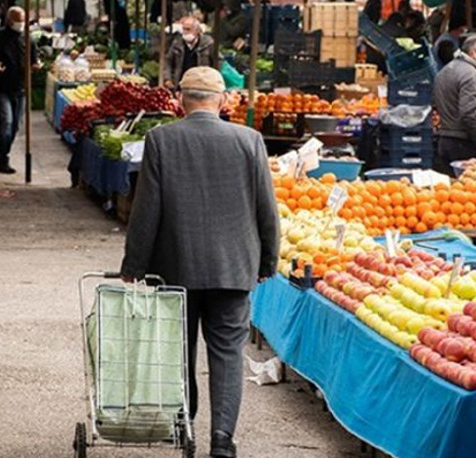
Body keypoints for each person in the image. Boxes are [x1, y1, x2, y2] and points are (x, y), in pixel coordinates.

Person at [120, 67, 280, 458]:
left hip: (175, 267)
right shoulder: (250, 141)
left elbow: (146, 210)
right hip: (233, 268)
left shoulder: (161, 139)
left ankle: (185, 425)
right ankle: (222, 439)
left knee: (179, 350)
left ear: (180, 101)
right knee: (227, 354)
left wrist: (134, 264)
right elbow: (267, 210)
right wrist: (267, 260)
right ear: (224, 101)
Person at [0, 6, 40, 174]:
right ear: (9, 21)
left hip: (20, 87)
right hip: (1, 87)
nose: (20, 24)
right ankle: (2, 158)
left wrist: (35, 65)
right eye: (17, 21)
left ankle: (2, 151)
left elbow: (34, 60)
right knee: (6, 122)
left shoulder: (28, 39)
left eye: (22, 21)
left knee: (15, 126)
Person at [433, 34, 476, 176]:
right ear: (472, 53)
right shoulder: (472, 75)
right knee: (470, 191)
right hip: (464, 143)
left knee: (451, 192)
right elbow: (469, 112)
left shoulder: (444, 71)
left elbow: (440, 103)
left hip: (445, 140)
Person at [163, 16, 215, 89]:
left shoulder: (208, 44)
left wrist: (212, 80)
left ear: (197, 31)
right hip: (180, 84)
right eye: (184, 29)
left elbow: (218, 61)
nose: (185, 32)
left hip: (202, 85)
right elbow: (168, 60)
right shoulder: (177, 43)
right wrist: (167, 78)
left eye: (188, 29)